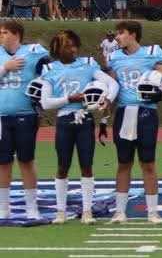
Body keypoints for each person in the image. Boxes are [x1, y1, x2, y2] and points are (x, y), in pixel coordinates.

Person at [40, 30, 118, 224]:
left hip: (85, 120)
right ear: (58, 48)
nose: (73, 49)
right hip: (64, 120)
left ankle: (87, 211)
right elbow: (45, 103)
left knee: (87, 165)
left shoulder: (88, 64)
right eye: (68, 46)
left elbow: (112, 84)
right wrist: (69, 98)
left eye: (75, 45)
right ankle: (60, 212)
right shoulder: (49, 69)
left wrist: (107, 99)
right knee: (62, 166)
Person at [103, 21, 162, 224]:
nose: (117, 37)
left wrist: (160, 96)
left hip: (146, 113)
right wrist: (105, 116)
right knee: (123, 163)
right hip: (124, 112)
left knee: (148, 163)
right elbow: (112, 89)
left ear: (133, 34)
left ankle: (153, 212)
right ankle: (120, 212)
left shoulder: (152, 54)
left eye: (121, 33)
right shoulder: (114, 57)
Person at [0, 21, 50, 220]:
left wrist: (41, 82)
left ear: (17, 34)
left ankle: (31, 207)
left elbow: (51, 72)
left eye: (5, 32)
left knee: (26, 160)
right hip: (1, 117)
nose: (1, 35)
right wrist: (5, 68)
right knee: (3, 162)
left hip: (26, 115)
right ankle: (3, 207)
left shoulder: (34, 51)